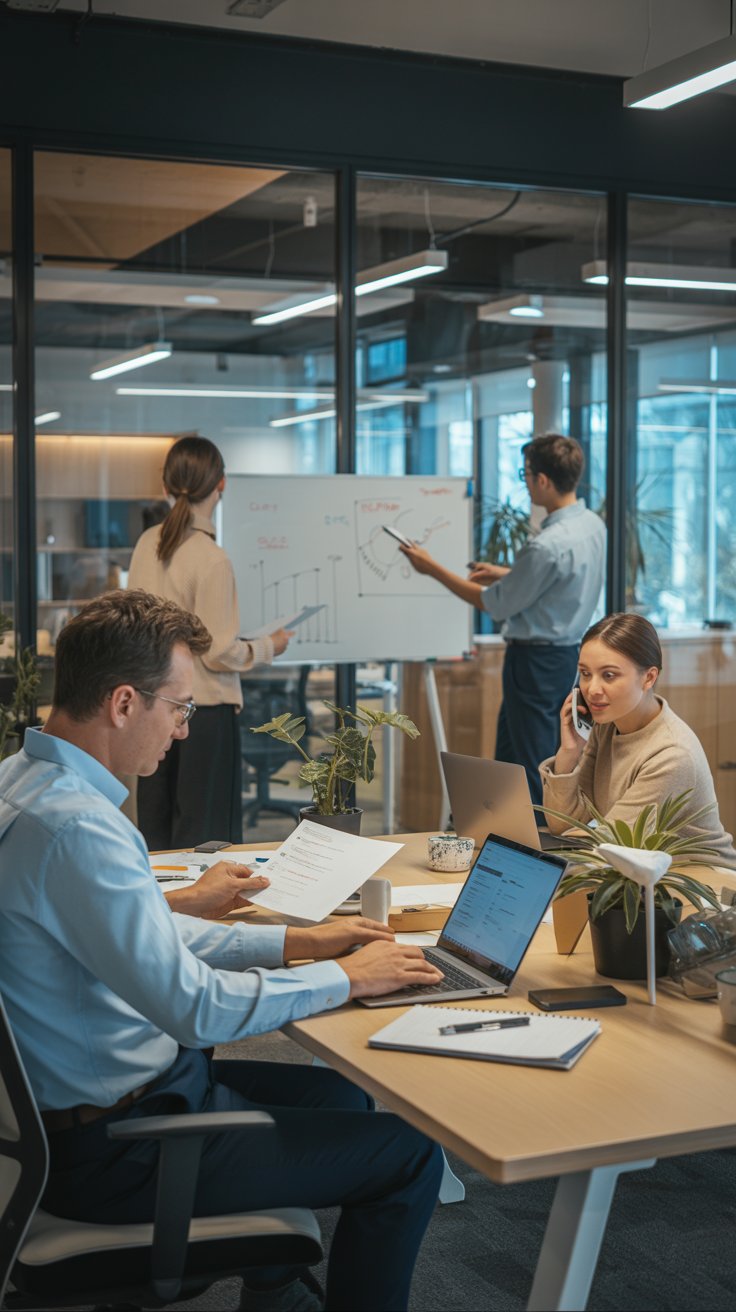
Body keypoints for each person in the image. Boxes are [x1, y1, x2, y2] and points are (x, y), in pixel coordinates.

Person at [0, 589, 445, 1312]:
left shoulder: (21, 784)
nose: (183, 730)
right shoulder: (79, 828)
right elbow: (196, 1008)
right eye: (180, 708)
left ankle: (272, 1286)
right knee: (411, 1154)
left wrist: (296, 942)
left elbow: (146, 932)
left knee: (343, 1096)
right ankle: (273, 1281)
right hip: (122, 1149)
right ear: (123, 703)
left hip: (86, 1116)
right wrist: (345, 978)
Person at [400, 434, 606, 807]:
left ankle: (535, 837)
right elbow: (560, 583)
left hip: (534, 663)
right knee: (519, 752)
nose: (524, 482)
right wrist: (508, 574)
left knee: (528, 762)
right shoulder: (591, 525)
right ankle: (512, 831)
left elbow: (492, 604)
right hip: (566, 656)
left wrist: (430, 568)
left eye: (525, 474)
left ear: (543, 480)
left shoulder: (546, 545)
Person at [128, 434, 291, 849]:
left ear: (165, 485)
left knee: (156, 830)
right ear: (221, 483)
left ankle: (157, 895)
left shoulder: (147, 544)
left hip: (154, 706)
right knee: (206, 838)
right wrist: (268, 646)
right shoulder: (211, 558)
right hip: (204, 712)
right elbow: (218, 653)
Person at [541, 612, 736, 865]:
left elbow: (608, 844)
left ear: (649, 678)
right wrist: (568, 753)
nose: (592, 689)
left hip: (699, 880)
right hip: (636, 872)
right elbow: (564, 825)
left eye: (609, 675)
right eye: (585, 674)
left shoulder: (672, 754)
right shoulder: (606, 726)